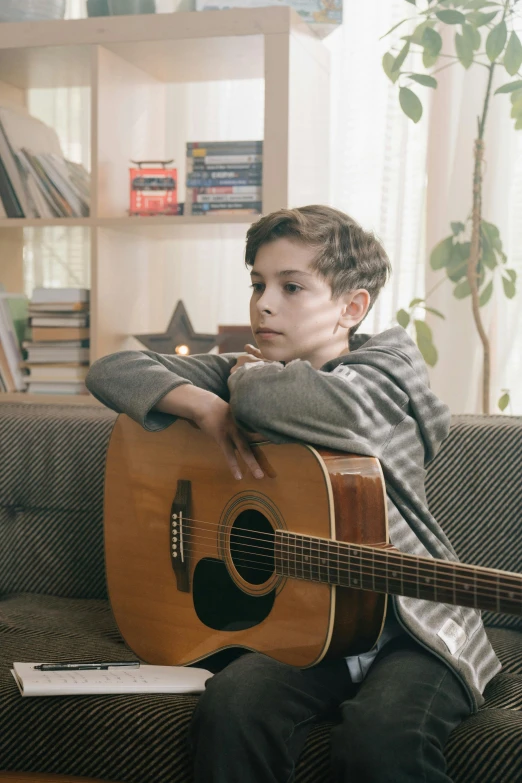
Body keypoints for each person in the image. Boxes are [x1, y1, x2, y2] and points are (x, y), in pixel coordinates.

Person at [86, 204, 500, 783]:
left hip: (415, 622)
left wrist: (240, 383)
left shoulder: (387, 371)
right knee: (232, 708)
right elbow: (111, 369)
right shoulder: (250, 368)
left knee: (380, 739)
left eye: (292, 286)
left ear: (351, 308)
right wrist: (205, 404)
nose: (264, 303)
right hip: (314, 620)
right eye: (257, 283)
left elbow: (322, 404)